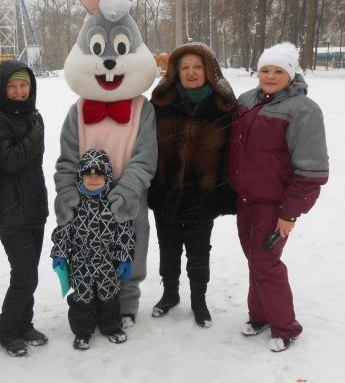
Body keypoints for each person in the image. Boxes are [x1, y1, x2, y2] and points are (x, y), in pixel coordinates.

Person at [227, 42, 329, 352]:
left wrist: (290, 213)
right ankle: (259, 316)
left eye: (278, 71)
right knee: (254, 259)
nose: (270, 76)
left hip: (274, 205)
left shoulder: (303, 110)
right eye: (265, 70)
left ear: (291, 73)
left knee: (265, 261)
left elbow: (312, 169)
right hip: (246, 199)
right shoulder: (246, 100)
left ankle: (285, 327)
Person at [148, 42, 237, 328]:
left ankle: (199, 300)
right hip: (166, 192)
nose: (191, 73)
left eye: (197, 67)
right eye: (184, 67)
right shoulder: (161, 102)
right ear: (175, 71)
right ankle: (170, 294)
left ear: (209, 70)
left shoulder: (224, 107)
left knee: (199, 251)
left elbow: (232, 154)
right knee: (168, 249)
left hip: (203, 194)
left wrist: (224, 193)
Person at [0, 60, 49, 357]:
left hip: (35, 205)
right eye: (12, 86)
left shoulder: (33, 116)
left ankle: (25, 323)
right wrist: (35, 134)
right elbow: (10, 159)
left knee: (30, 271)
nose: (19, 91)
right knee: (24, 274)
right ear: (2, 89)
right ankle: (7, 330)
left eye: (23, 85)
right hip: (10, 207)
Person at [51, 149, 135, 350]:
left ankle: (111, 327)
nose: (93, 180)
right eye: (88, 175)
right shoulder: (75, 204)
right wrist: (60, 254)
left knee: (109, 297)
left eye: (99, 175)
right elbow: (64, 230)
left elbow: (125, 232)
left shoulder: (114, 204)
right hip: (81, 263)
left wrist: (124, 257)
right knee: (82, 298)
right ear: (80, 176)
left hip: (107, 262)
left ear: (107, 177)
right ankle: (82, 331)